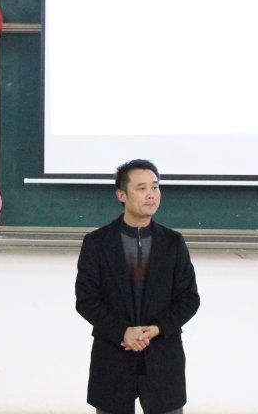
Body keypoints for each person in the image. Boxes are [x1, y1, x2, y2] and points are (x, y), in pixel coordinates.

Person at [75, 159, 200, 414]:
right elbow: (87, 300)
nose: (151, 194)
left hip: (163, 354)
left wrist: (157, 328)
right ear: (122, 195)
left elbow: (189, 298)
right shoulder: (97, 242)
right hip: (113, 354)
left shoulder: (173, 242)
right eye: (142, 188)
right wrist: (123, 331)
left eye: (155, 187)